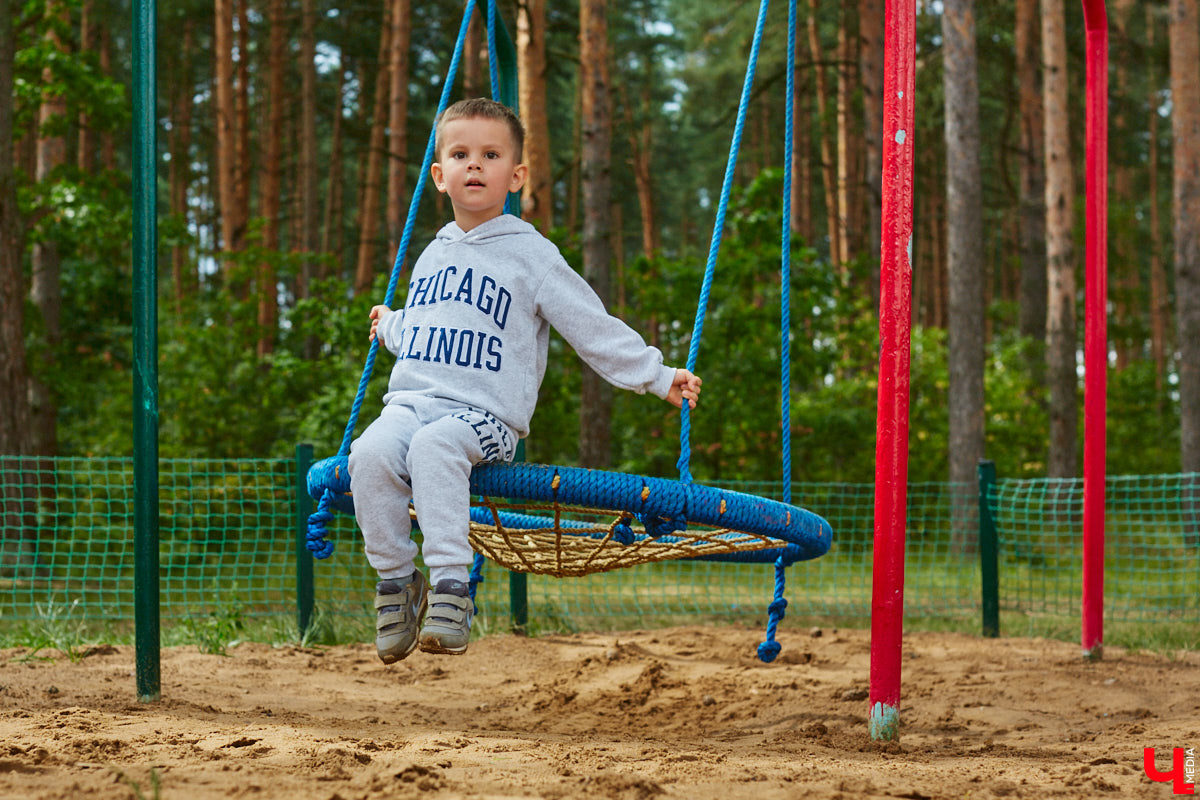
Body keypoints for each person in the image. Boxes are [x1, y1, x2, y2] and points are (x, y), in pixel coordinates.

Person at [348, 98, 702, 664]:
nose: (474, 166)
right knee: (367, 454)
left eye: (490, 155)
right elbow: (427, 326)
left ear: (515, 176)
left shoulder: (531, 255)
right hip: (411, 404)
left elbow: (590, 325)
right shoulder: (430, 257)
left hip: (482, 418)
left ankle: (451, 589)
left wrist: (655, 376)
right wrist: (389, 325)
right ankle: (397, 582)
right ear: (439, 176)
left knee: (436, 449)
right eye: (460, 154)